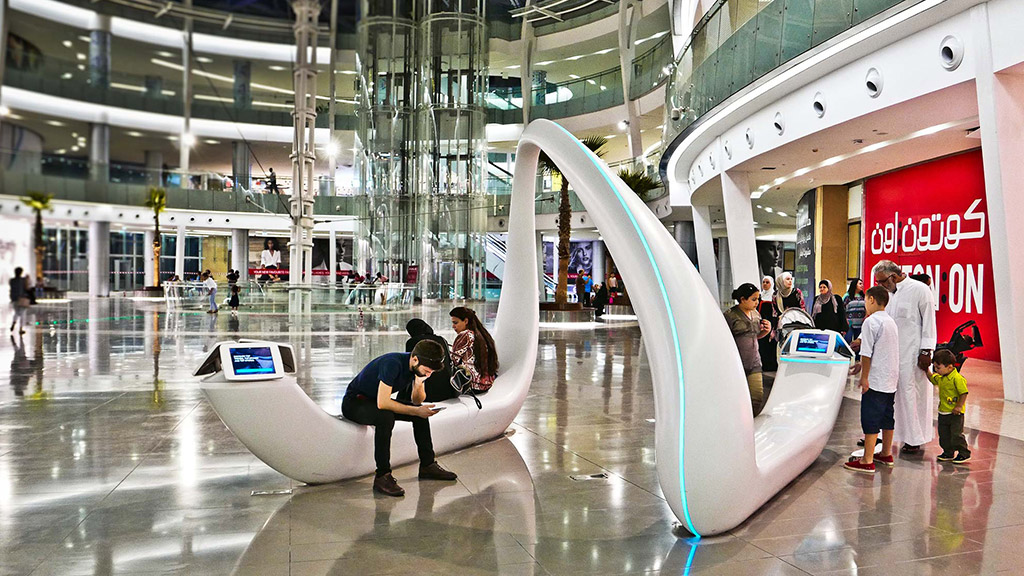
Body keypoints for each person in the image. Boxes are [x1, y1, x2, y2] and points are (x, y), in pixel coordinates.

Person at [341, 340, 458, 497]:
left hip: (373, 401)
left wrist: (419, 383)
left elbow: (417, 401)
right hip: (355, 402)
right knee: (386, 417)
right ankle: (382, 476)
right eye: (427, 371)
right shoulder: (392, 363)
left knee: (420, 413)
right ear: (415, 359)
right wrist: (416, 411)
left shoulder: (416, 368)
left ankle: (427, 465)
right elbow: (383, 403)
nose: (429, 374)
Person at [873, 260, 937, 455]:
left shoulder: (919, 290)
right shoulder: (888, 295)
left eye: (882, 281)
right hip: (890, 353)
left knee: (912, 395)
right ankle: (888, 435)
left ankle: (914, 438)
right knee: (889, 394)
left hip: (913, 354)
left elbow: (929, 321)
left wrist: (927, 350)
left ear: (893, 276)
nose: (881, 286)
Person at [845, 286, 899, 473]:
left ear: (872, 300)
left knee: (870, 418)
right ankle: (886, 453)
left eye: (866, 300)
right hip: (890, 379)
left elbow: (867, 353)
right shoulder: (891, 322)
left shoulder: (871, 322)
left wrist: (864, 377)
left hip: (876, 379)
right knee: (887, 417)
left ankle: (867, 460)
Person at [724, 283, 772, 416]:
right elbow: (723, 339)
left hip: (754, 362)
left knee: (756, 397)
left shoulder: (756, 314)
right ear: (743, 299)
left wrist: (766, 331)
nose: (757, 302)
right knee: (736, 399)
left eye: (758, 299)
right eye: (753, 299)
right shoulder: (730, 315)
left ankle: (751, 425)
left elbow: (756, 336)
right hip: (736, 364)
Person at [398, 319, 458, 403]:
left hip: (427, 391)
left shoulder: (412, 342)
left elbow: (410, 366)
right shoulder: (441, 339)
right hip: (446, 389)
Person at [929, 349, 971, 463]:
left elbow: (964, 393)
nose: (936, 370)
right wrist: (925, 369)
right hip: (943, 412)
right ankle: (948, 452)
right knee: (944, 435)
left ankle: (964, 452)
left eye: (938, 367)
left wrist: (958, 406)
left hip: (955, 414)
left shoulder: (957, 379)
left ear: (950, 367)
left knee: (956, 434)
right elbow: (932, 379)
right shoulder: (941, 377)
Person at [450, 307, 499, 392]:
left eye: (455, 323)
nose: (453, 326)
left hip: (470, 384)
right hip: (486, 384)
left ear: (465, 321)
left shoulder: (465, 335)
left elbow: (453, 360)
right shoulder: (483, 335)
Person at [757, 276, 778, 372]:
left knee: (771, 346)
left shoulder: (775, 297)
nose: (765, 284)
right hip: (760, 326)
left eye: (767, 282)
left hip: (772, 325)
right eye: (763, 282)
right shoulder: (760, 296)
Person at [8, 267, 32, 334]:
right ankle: (21, 329)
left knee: (16, 312)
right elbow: (27, 288)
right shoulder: (23, 280)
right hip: (22, 298)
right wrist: (28, 279)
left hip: (14, 298)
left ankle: (13, 323)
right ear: (21, 272)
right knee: (22, 314)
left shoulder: (11, 280)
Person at [844, 278, 866, 343]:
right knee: (848, 339)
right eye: (860, 284)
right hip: (850, 323)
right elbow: (843, 309)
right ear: (854, 284)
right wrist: (845, 320)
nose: (862, 285)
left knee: (858, 342)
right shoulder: (847, 296)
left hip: (860, 323)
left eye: (862, 284)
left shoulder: (863, 296)